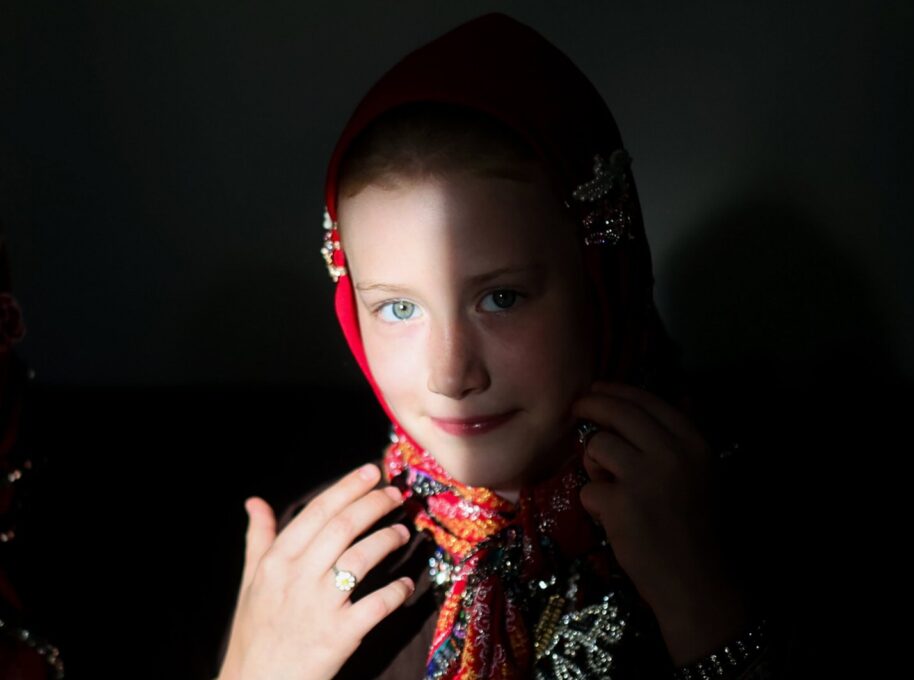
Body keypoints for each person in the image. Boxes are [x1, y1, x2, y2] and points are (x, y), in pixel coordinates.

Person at [216, 12, 789, 679]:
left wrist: (709, 619)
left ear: (604, 283)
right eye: (398, 308)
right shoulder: (321, 564)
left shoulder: (740, 520)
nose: (451, 375)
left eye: (502, 298)